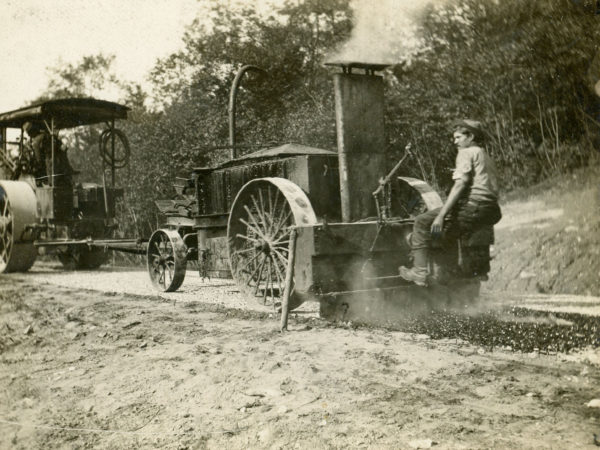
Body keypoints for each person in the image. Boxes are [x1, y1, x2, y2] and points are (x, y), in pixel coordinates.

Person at [399, 119, 502, 286]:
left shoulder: (466, 153)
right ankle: (471, 270)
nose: (455, 142)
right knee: (449, 235)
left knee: (422, 222)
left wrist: (441, 215)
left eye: (458, 137)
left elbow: (461, 183)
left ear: (471, 137)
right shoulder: (485, 156)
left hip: (472, 206)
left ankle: (419, 271)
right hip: (490, 210)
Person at [23, 121, 73, 186]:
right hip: (58, 161)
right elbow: (62, 148)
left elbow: (39, 159)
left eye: (29, 133)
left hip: (50, 160)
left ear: (32, 131)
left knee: (50, 180)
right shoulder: (48, 136)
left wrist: (38, 165)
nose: (28, 135)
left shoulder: (37, 141)